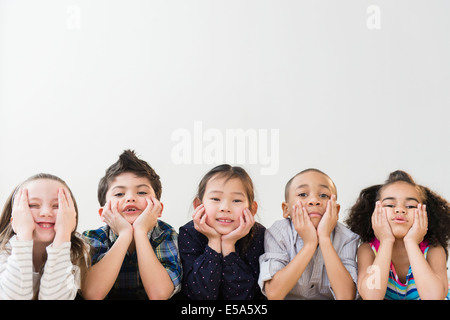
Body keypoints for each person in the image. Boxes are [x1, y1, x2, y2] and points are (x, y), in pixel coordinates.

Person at [82, 150, 182, 299]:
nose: (130, 198)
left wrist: (140, 232)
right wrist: (125, 235)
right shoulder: (93, 238)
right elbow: (92, 294)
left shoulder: (166, 234)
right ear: (104, 213)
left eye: (141, 192)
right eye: (119, 194)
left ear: (158, 208)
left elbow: (159, 294)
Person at [345, 170, 450, 300]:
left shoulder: (434, 250)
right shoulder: (368, 250)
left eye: (411, 206)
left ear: (425, 214)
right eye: (390, 205)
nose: (400, 209)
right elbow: (371, 296)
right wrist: (386, 241)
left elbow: (433, 297)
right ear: (374, 212)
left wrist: (411, 242)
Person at [259, 168, 359, 300]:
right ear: (286, 209)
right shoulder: (278, 233)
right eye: (302, 194)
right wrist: (309, 244)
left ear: (336, 209)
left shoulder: (347, 238)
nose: (314, 200)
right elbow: (274, 294)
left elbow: (346, 296)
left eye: (323, 195)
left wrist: (324, 239)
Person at [178, 164, 265, 300]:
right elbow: (199, 295)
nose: (225, 208)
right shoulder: (189, 233)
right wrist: (213, 242)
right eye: (215, 199)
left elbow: (244, 296)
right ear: (198, 205)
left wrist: (228, 246)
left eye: (236, 200)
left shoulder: (258, 235)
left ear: (252, 209)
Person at [0, 173, 90, 300]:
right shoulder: (3, 250)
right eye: (33, 205)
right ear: (14, 214)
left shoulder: (78, 251)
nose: (46, 213)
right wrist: (23, 234)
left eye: (58, 205)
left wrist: (63, 234)